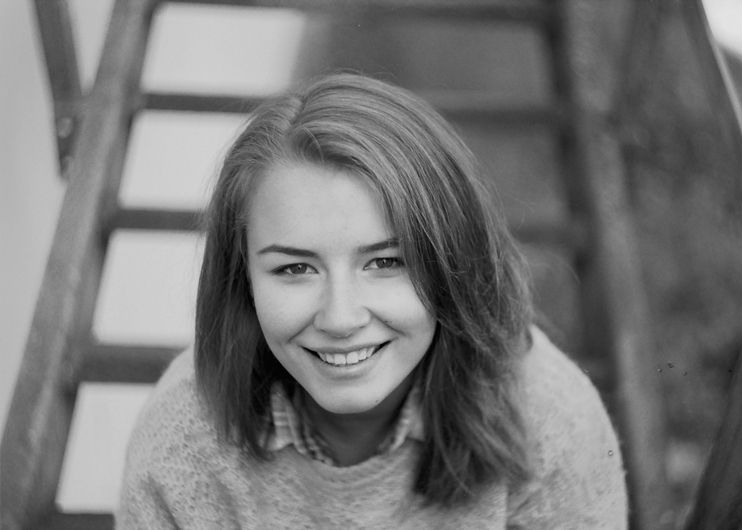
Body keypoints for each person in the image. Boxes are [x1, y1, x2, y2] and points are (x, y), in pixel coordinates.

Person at [117, 73, 627, 528]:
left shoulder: (550, 419)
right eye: (295, 268)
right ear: (242, 280)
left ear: (453, 262)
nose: (340, 318)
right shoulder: (181, 442)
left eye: (386, 262)